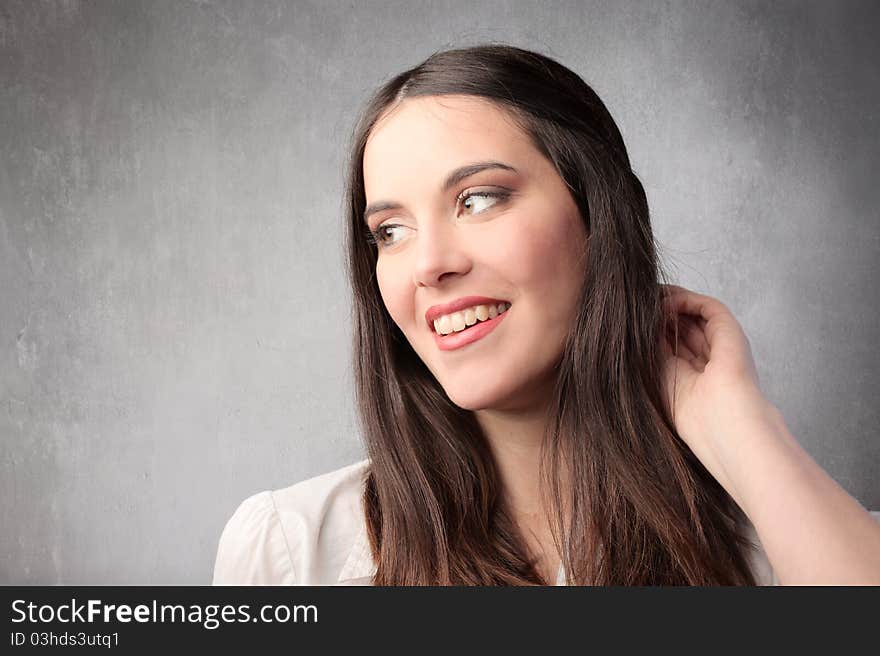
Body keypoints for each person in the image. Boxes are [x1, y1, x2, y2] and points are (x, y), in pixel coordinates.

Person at [212, 44, 880, 586]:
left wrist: (741, 429)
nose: (428, 264)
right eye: (390, 231)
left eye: (478, 200)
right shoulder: (292, 557)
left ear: (599, 218)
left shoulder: (786, 539)